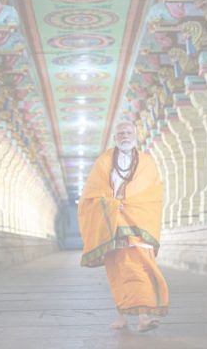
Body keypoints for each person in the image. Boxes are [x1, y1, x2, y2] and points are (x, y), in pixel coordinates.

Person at [78, 121, 168, 332]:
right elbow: (91, 192)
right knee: (117, 270)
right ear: (114, 138)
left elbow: (153, 194)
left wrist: (130, 204)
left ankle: (144, 317)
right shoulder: (104, 162)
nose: (125, 136)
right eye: (120, 133)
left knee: (140, 269)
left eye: (128, 132)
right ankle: (122, 316)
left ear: (136, 136)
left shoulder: (147, 163)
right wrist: (112, 204)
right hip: (111, 223)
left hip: (138, 223)